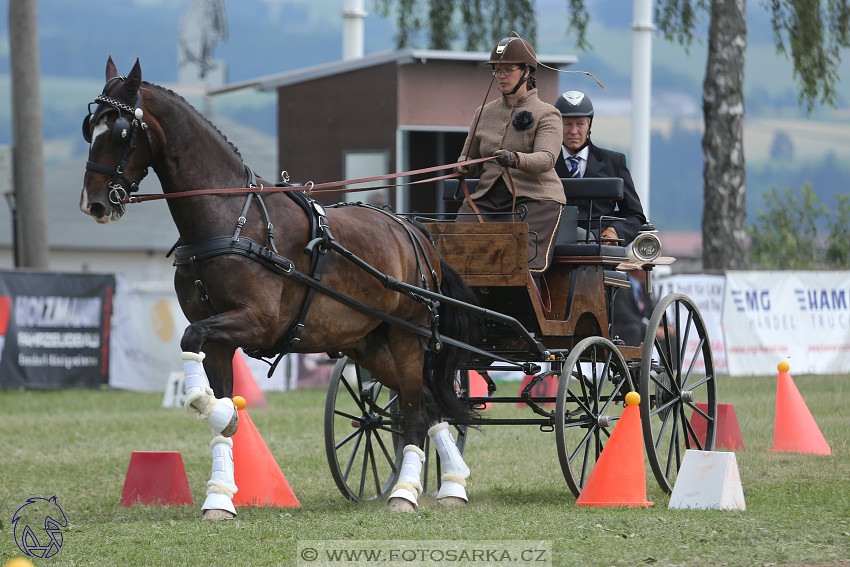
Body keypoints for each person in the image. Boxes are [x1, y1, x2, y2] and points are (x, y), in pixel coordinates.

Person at [455, 37, 565, 274]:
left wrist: (515, 159)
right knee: (456, 250)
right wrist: (463, 166)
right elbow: (468, 157)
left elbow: (546, 159)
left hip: (535, 199)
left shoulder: (547, 114)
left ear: (527, 72)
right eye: (497, 70)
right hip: (487, 199)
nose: (501, 75)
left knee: (518, 263)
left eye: (508, 70)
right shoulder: (483, 113)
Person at [554, 90, 647, 245]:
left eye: (580, 124)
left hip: (599, 249)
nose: (574, 131)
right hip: (553, 249)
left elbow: (635, 216)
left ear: (590, 124)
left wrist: (614, 231)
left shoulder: (614, 162)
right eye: (567, 124)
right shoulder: (545, 164)